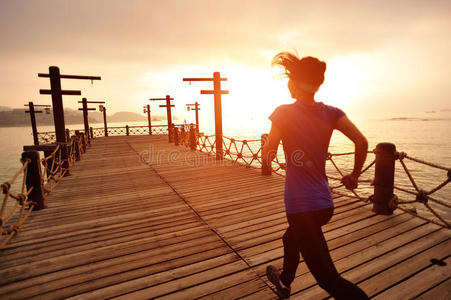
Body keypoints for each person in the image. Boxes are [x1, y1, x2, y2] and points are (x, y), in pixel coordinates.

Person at [264, 51, 369, 299]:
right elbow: (362, 142)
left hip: (301, 208)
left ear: (293, 83)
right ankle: (284, 282)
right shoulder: (332, 113)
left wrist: (269, 155)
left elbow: (268, 153)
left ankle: (285, 282)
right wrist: (354, 175)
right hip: (324, 205)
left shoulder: (282, 113)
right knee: (290, 239)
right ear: (317, 84)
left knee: (329, 281)